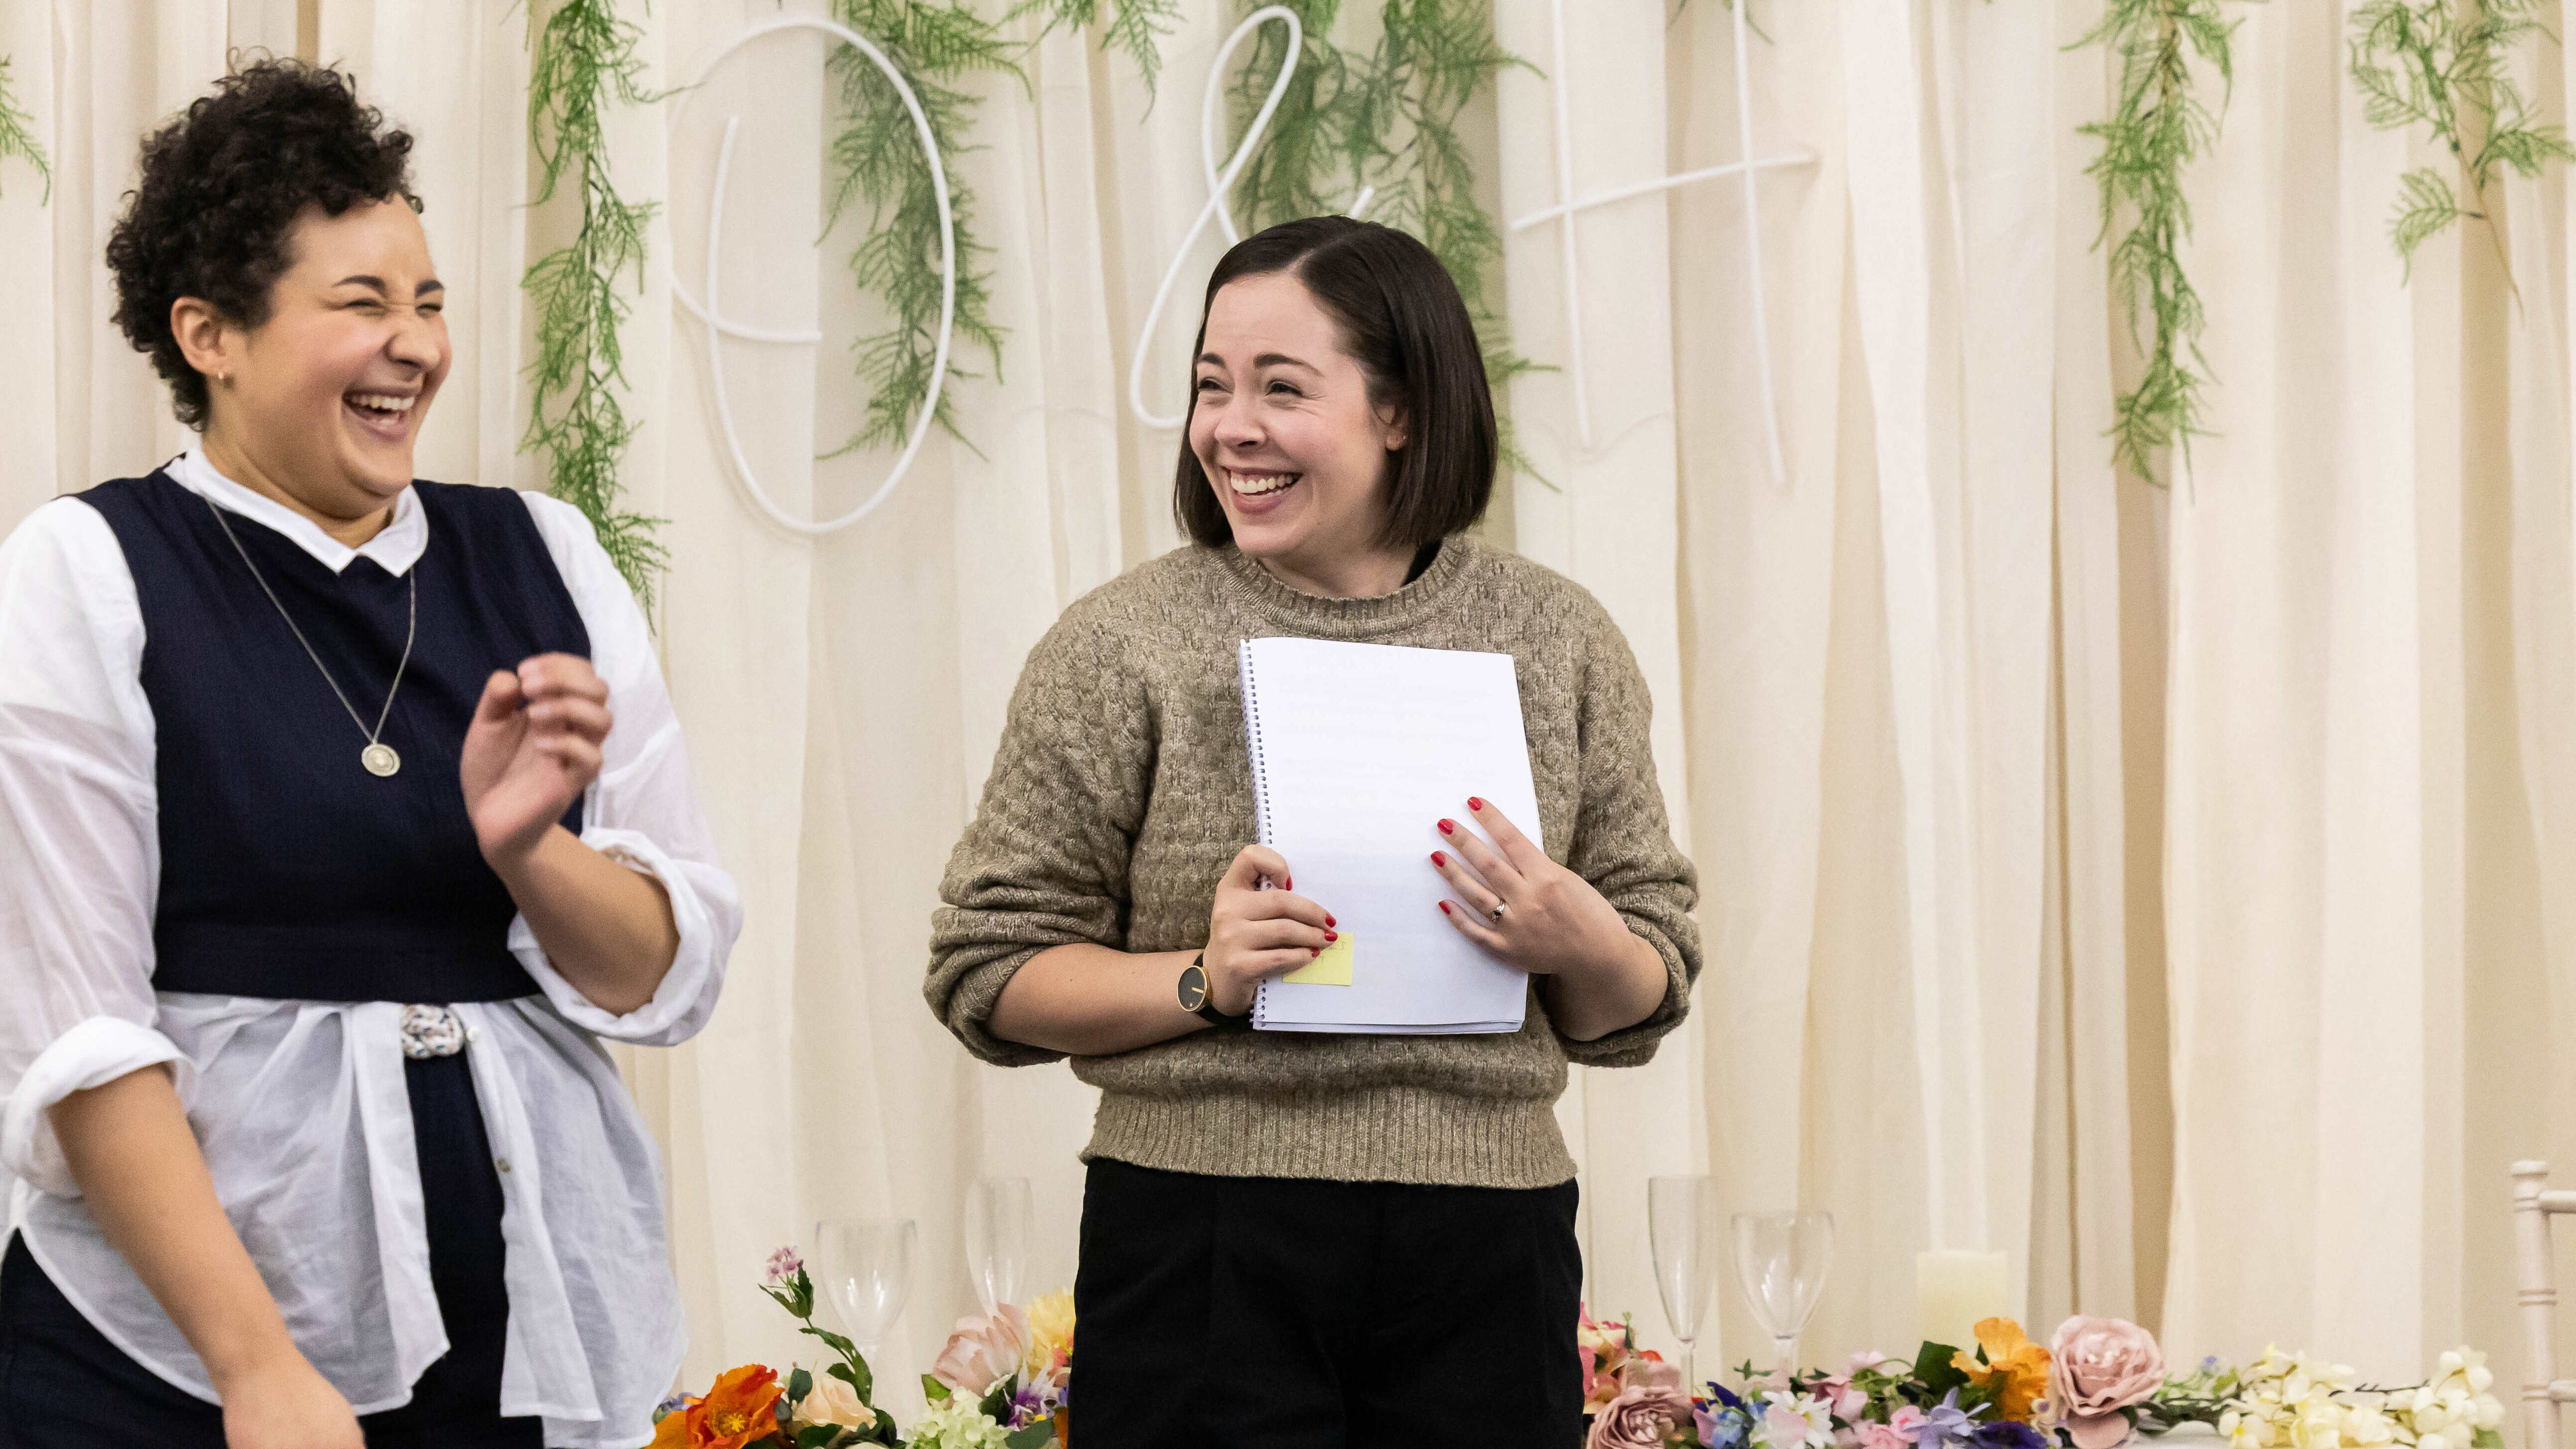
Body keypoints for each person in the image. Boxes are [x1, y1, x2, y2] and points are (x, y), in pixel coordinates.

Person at [0, 60, 739, 1449]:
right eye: (361, 305)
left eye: (430, 301)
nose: (415, 344)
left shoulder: (548, 557)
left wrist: (528, 850)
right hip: (173, 1365)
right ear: (209, 334)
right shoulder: (84, 573)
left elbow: (656, 967)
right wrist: (259, 1368)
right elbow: (79, 1036)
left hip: (527, 1335)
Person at [924, 215, 1702, 1447]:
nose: (1232, 426)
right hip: (1200, 1234)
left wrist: (1578, 935)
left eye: (1282, 389)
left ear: (1401, 410)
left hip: (1491, 1237)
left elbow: (1637, 999)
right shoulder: (1123, 642)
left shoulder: (1557, 638)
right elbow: (987, 972)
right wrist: (1203, 977)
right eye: (1210, 387)